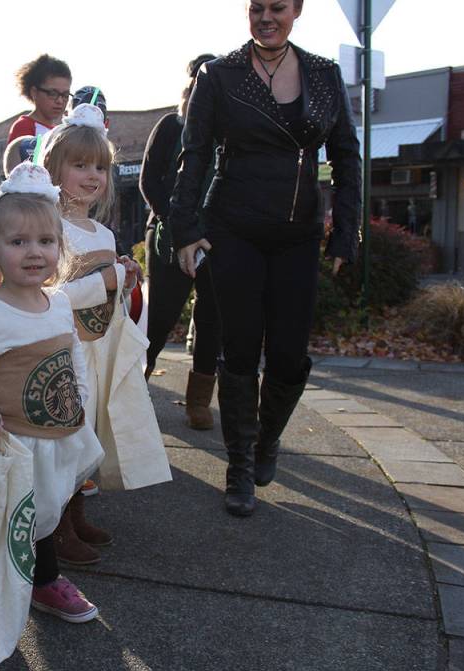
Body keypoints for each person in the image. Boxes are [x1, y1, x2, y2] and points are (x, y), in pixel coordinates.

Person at [169, 0, 361, 516]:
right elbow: (195, 153)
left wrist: (346, 231)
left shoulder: (323, 74)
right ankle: (239, 467)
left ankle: (266, 441)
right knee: (238, 348)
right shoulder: (220, 74)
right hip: (234, 229)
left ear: (296, 9)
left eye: (277, 7)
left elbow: (345, 154)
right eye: (256, 7)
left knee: (289, 355)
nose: (265, 17)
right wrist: (185, 228)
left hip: (298, 233)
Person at [0, 162, 104, 649]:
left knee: (44, 515)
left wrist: (81, 400)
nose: (35, 252)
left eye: (46, 241)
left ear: (60, 248)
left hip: (56, 438)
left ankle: (44, 583)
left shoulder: (60, 303)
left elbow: (73, 352)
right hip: (8, 443)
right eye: (19, 242)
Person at [42, 104, 164, 565]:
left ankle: (74, 514)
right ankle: (53, 528)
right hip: (61, 351)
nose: (92, 176)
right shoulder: (48, 230)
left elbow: (106, 300)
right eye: (79, 165)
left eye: (100, 167)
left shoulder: (105, 234)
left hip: (95, 352)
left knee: (87, 433)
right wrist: (104, 282)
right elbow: (48, 297)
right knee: (65, 438)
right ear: (56, 168)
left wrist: (125, 280)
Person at [139, 54, 221, 430]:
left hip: (215, 239)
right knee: (159, 317)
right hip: (169, 236)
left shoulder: (229, 130)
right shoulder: (171, 125)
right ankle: (134, 384)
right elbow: (149, 180)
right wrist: (174, 220)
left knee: (212, 319)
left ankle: (199, 402)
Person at [7, 55, 72, 143]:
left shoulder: (61, 131)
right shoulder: (24, 126)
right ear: (34, 92)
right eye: (52, 94)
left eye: (65, 95)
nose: (60, 101)